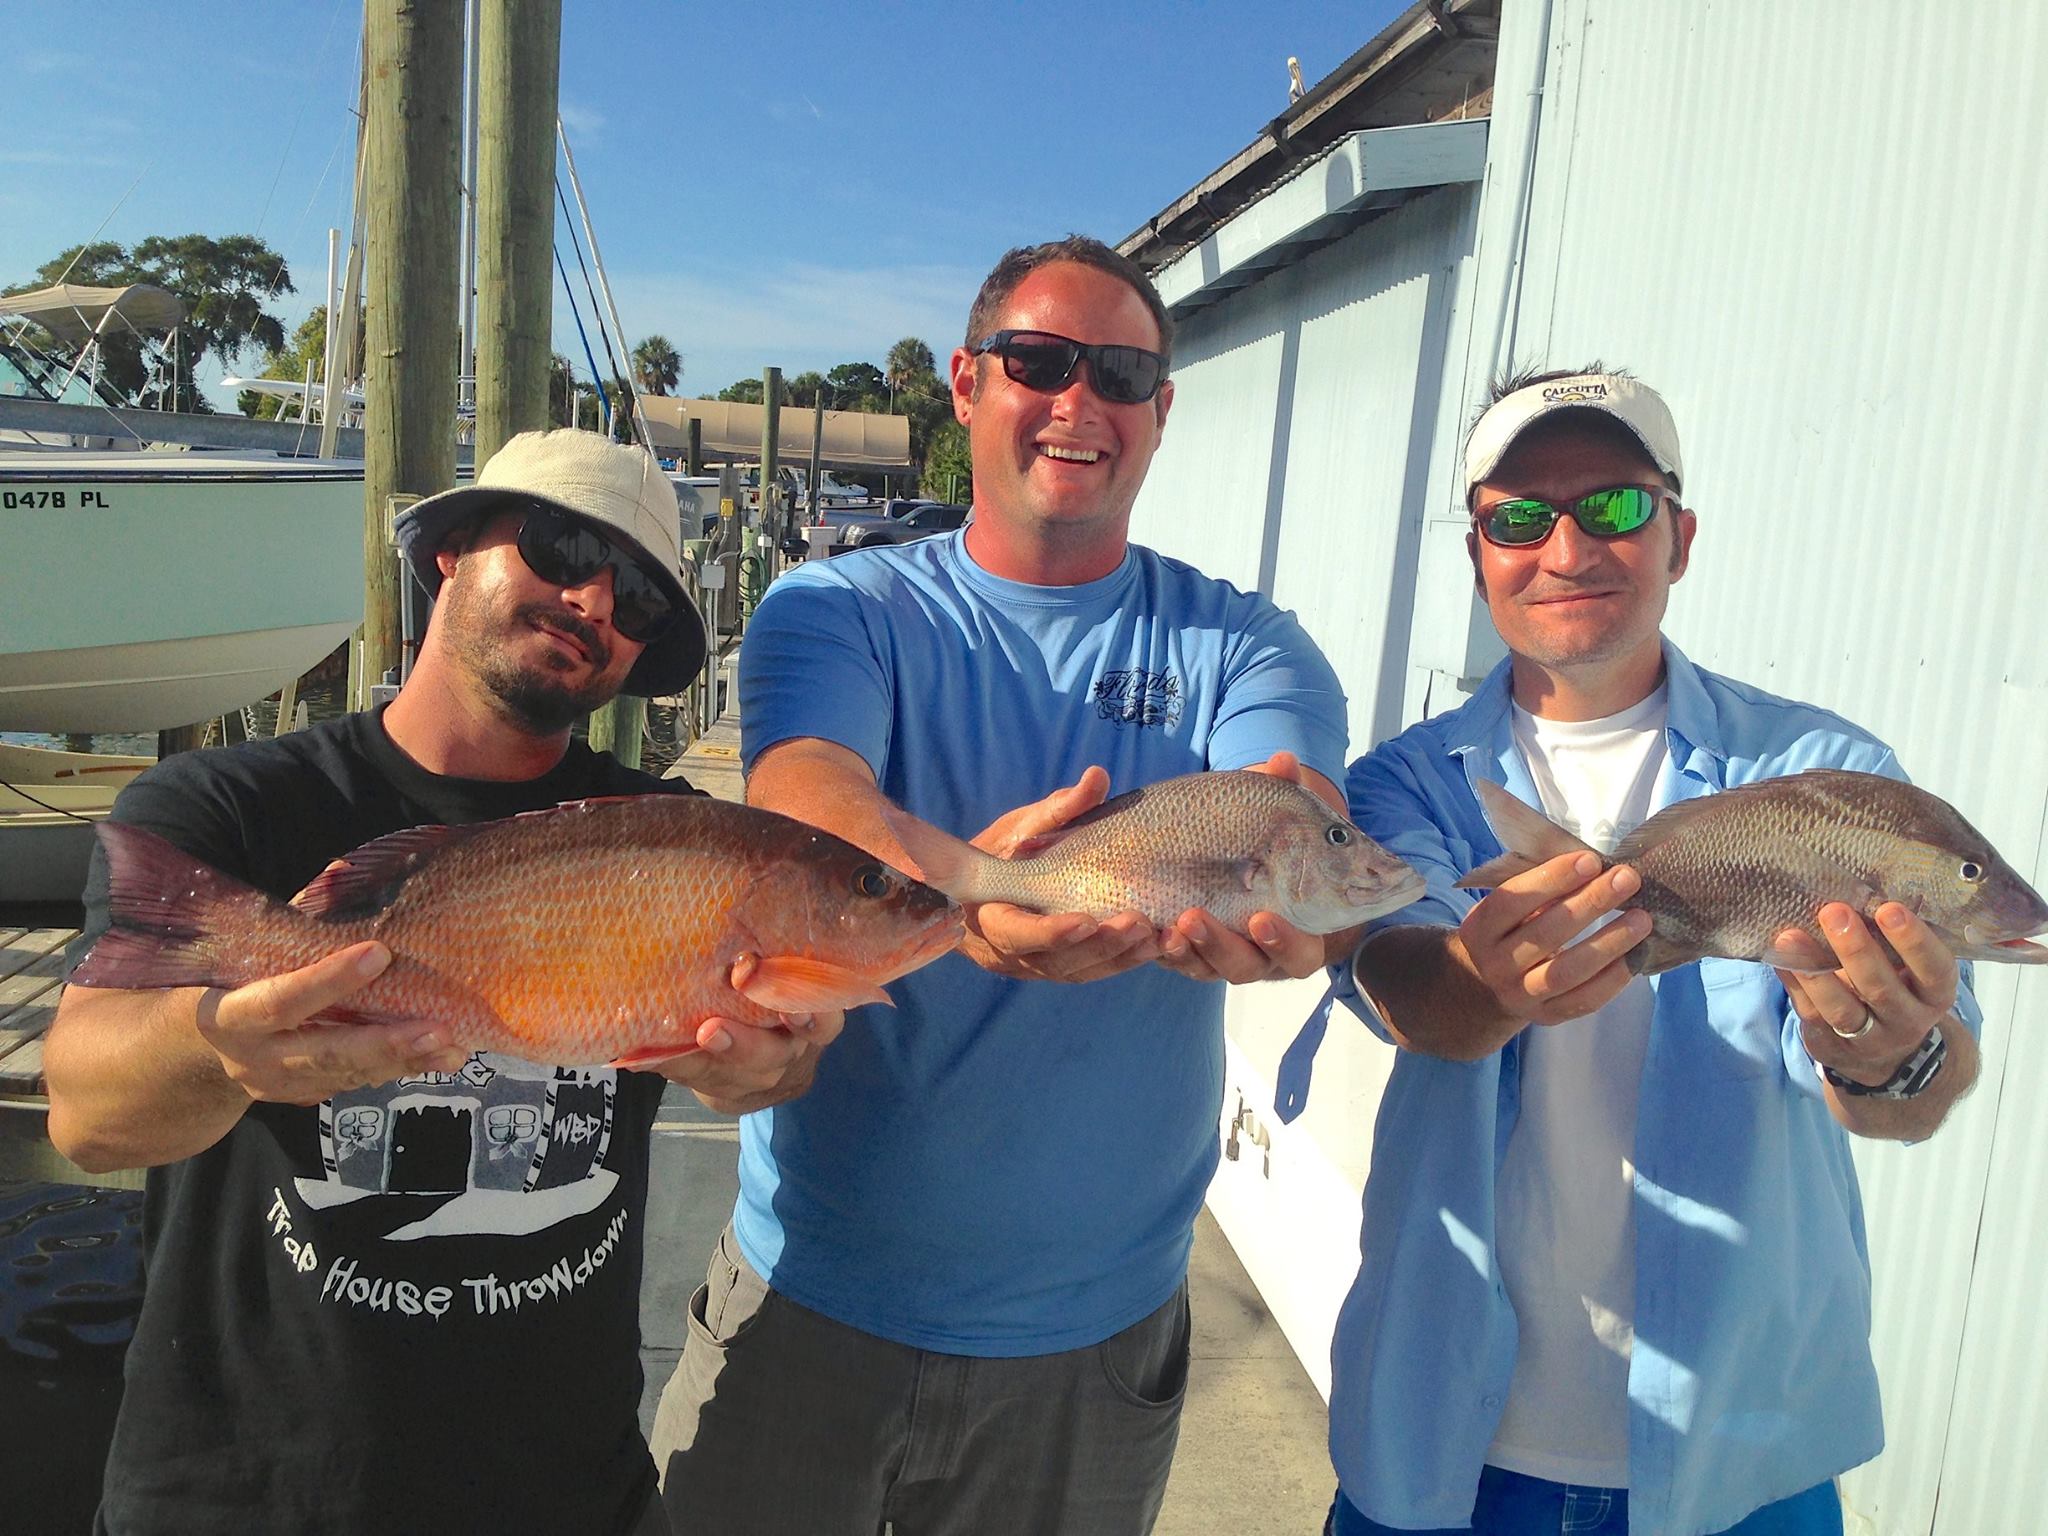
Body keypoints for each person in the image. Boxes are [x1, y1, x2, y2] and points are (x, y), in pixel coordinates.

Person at [649, 235, 1351, 1535]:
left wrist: (1293, 910)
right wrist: (979, 899)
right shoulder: (837, 605)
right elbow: (809, 799)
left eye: (1125, 373)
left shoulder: (1249, 643)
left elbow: (1285, 804)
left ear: (1161, 413)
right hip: (808, 1298)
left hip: (1089, 1341)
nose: (1081, 402)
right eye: (1040, 362)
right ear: (967, 385)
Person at [44, 429, 835, 1536]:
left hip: (568, 1495)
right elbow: (85, 1114)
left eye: (641, 599)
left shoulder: (681, 841)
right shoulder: (222, 809)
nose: (595, 597)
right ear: (453, 550)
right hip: (240, 1497)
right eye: (562, 545)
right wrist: (220, 1041)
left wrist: (769, 1071)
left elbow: (747, 1064)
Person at [1315, 370, 1985, 1536]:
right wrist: (1482, 984)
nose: (1564, 545)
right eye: (1517, 517)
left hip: (1741, 1455)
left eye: (1614, 508)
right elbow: (1402, 985)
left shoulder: (1824, 775)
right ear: (1476, 552)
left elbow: (1907, 1095)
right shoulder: (1402, 782)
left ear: (1679, 536)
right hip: (1442, 1444)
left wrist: (1888, 1054)